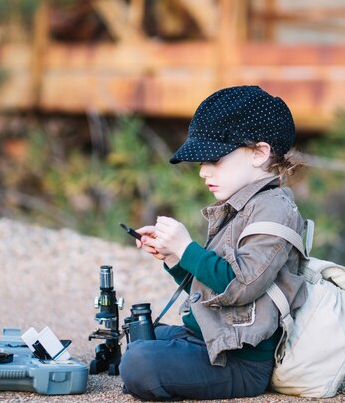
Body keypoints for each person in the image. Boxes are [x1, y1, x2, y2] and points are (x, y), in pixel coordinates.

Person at [119, 85, 307, 401]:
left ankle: (146, 370)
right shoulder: (241, 204)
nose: (203, 171)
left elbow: (242, 284)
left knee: (140, 361)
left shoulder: (275, 209)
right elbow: (211, 285)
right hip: (212, 336)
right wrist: (173, 258)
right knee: (143, 335)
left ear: (259, 154)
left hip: (240, 360)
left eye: (214, 159)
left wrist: (186, 248)